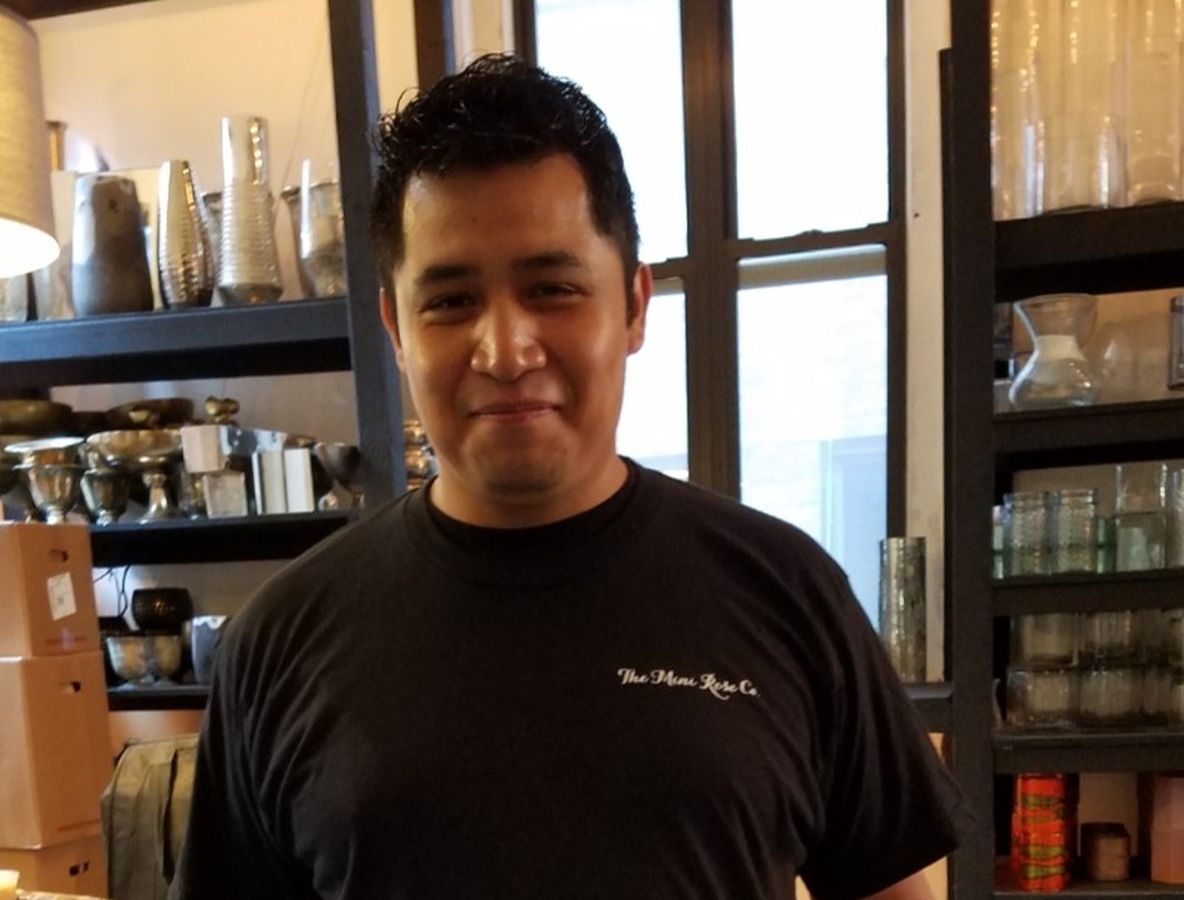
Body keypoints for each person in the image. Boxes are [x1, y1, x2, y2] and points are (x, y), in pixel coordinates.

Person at [170, 53, 973, 899]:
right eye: (450, 301)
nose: (505, 351)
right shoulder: (281, 641)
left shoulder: (787, 591)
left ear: (633, 306)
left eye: (552, 288)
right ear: (396, 331)